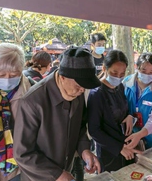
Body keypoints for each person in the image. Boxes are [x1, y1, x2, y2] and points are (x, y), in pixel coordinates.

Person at [13, 47, 101, 181]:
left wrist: (85, 150)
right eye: (79, 85)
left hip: (66, 169)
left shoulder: (76, 93)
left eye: (85, 86)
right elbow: (22, 154)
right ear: (62, 76)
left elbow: (80, 126)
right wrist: (56, 174)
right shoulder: (32, 102)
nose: (82, 90)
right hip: (40, 177)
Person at [0, 43, 33, 181]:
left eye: (14, 74)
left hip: (22, 168)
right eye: (1, 74)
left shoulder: (33, 93)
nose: (7, 79)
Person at [87, 50, 140, 172]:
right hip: (109, 152)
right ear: (105, 68)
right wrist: (119, 148)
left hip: (125, 146)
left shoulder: (120, 87)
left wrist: (129, 116)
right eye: (114, 72)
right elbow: (94, 130)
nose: (118, 77)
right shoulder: (97, 94)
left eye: (122, 74)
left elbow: (123, 109)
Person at [123, 53, 152, 149]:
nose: (147, 74)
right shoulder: (125, 83)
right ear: (136, 67)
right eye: (143, 70)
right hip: (127, 134)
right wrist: (128, 115)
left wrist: (140, 134)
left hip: (150, 136)